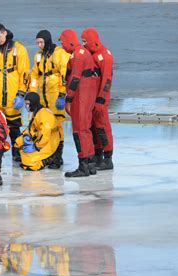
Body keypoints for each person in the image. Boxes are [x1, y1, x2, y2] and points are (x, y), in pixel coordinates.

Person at [0, 23, 30, 162]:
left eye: (0, 36)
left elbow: (24, 73)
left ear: (5, 33)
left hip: (12, 97)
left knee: (14, 128)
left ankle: (17, 153)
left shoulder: (19, 49)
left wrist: (21, 94)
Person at [28, 30, 71, 168]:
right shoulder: (38, 56)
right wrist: (33, 93)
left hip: (55, 96)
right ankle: (49, 153)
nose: (39, 45)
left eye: (41, 42)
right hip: (43, 96)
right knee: (45, 125)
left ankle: (58, 156)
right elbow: (34, 75)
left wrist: (62, 94)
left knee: (57, 126)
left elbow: (65, 74)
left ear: (47, 40)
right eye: (38, 43)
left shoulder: (60, 54)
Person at [59, 29, 97, 177]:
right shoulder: (83, 53)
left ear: (69, 41)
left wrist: (68, 98)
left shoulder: (78, 56)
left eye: (63, 42)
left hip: (81, 96)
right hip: (87, 94)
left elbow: (74, 78)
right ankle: (90, 163)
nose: (62, 46)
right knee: (86, 129)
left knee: (79, 130)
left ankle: (83, 166)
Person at [82, 28, 114, 170]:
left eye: (84, 41)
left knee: (103, 127)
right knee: (94, 127)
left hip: (100, 99)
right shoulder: (91, 53)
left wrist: (101, 100)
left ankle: (108, 159)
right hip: (91, 98)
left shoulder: (105, 56)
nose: (83, 44)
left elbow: (106, 81)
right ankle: (97, 155)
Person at [13, 92, 63, 171]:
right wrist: (26, 135)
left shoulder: (44, 115)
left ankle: (52, 158)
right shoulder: (37, 112)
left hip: (52, 139)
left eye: (28, 104)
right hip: (41, 137)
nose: (26, 106)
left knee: (28, 163)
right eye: (26, 104)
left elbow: (45, 134)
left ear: (33, 103)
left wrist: (36, 146)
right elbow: (31, 128)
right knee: (18, 143)